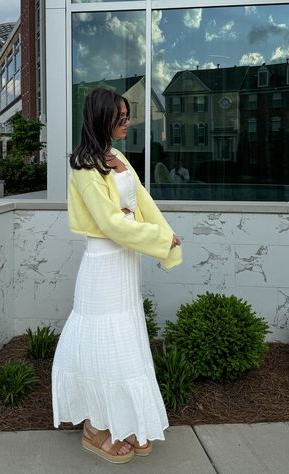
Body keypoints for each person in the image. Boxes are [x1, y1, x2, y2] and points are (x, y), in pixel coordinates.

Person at [51, 88, 182, 464]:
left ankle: (120, 420)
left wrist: (166, 237)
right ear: (101, 118)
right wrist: (156, 238)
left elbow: (141, 203)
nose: (127, 123)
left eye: (128, 116)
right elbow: (111, 223)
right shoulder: (83, 167)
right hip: (103, 263)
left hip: (125, 262)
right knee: (102, 343)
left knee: (123, 341)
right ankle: (95, 427)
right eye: (121, 117)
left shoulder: (118, 156)